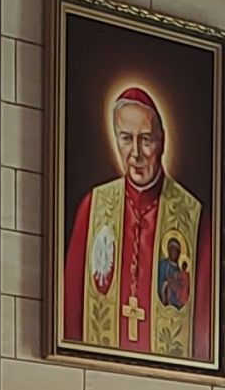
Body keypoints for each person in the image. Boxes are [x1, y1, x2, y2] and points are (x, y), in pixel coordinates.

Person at [60, 88, 207, 362]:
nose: (136, 153)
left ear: (162, 141)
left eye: (146, 139)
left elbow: (205, 325)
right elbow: (69, 309)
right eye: (126, 138)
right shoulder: (93, 206)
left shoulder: (193, 216)